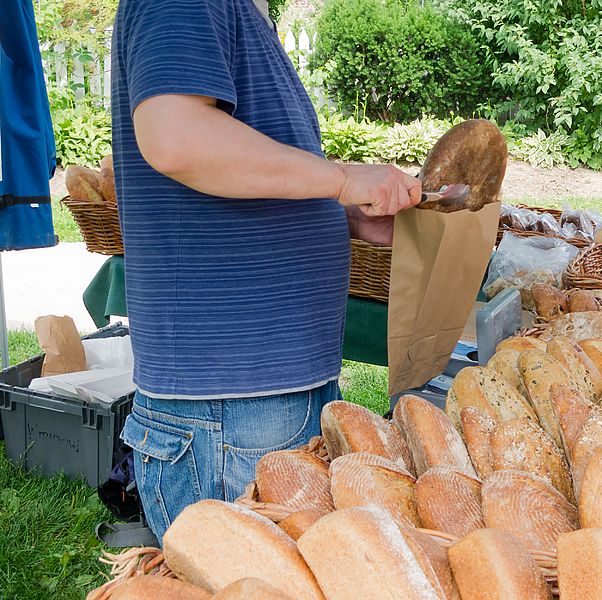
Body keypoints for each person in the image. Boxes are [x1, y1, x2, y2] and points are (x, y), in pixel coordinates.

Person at [110, 0, 421, 542]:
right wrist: (344, 178)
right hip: (231, 405)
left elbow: (242, 175)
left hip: (258, 396)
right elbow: (177, 137)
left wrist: (342, 214)